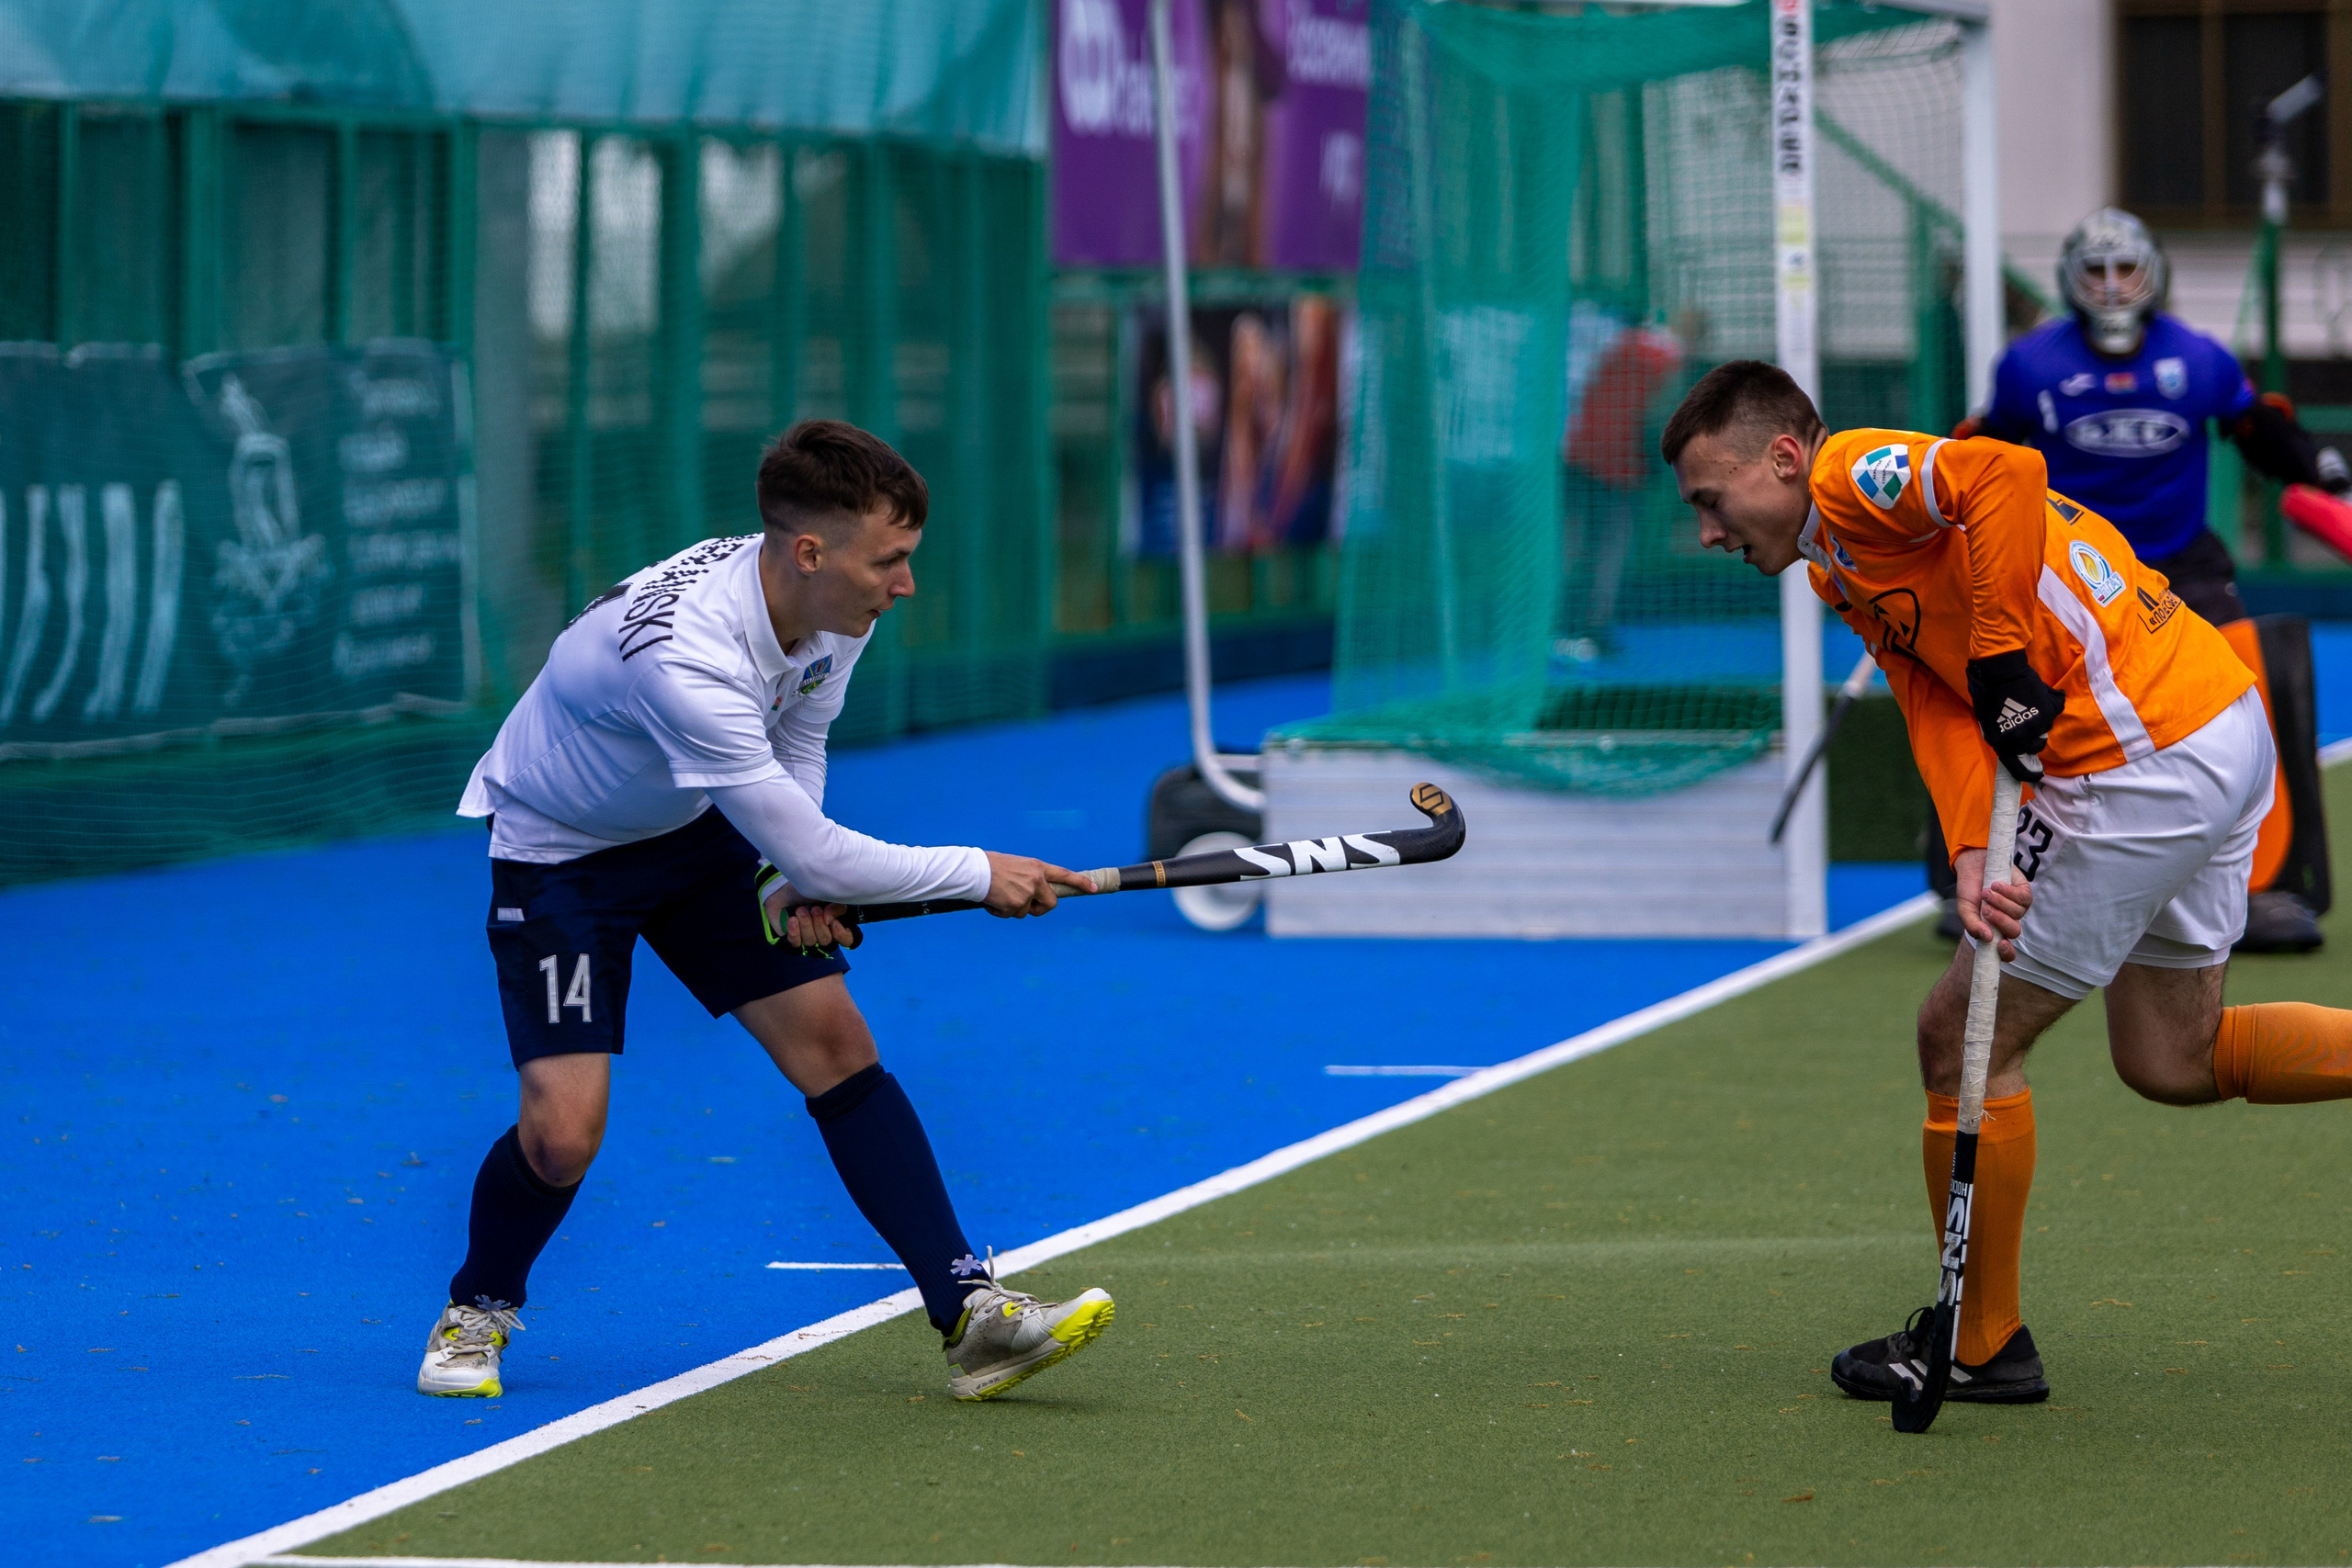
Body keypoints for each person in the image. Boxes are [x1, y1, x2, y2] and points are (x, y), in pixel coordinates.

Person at [1662, 360, 2352, 1405]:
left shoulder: (1854, 475)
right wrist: (1976, 848)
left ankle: (1981, 1345)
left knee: (1958, 1037)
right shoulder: (1830, 570)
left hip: (2139, 760)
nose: (1709, 532)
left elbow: (2005, 474)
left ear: (1785, 457)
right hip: (2206, 724)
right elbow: (1932, 700)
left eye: (1711, 500)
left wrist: (1995, 650)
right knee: (2174, 1058)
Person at [417, 420, 1114, 1403]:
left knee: (833, 1039)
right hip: (563, 856)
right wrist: (972, 872)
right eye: (891, 561)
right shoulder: (688, 662)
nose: (904, 584)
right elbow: (814, 841)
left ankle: (971, 1315)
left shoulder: (833, 610)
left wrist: (800, 881)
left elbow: (800, 740)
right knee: (562, 1134)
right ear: (808, 551)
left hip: (698, 824)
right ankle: (476, 1307)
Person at [1944, 207, 2342, 952]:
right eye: (2094, 271)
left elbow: (2256, 427)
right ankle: (1985, 876)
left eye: (2125, 268)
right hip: (2065, 567)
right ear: (2070, 279)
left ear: (2153, 274)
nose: (2112, 284)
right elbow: (1981, 454)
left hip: (2179, 559)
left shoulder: (2198, 359)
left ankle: (2267, 881)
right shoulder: (2030, 366)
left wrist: (2315, 465)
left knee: (2243, 678)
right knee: (2000, 690)